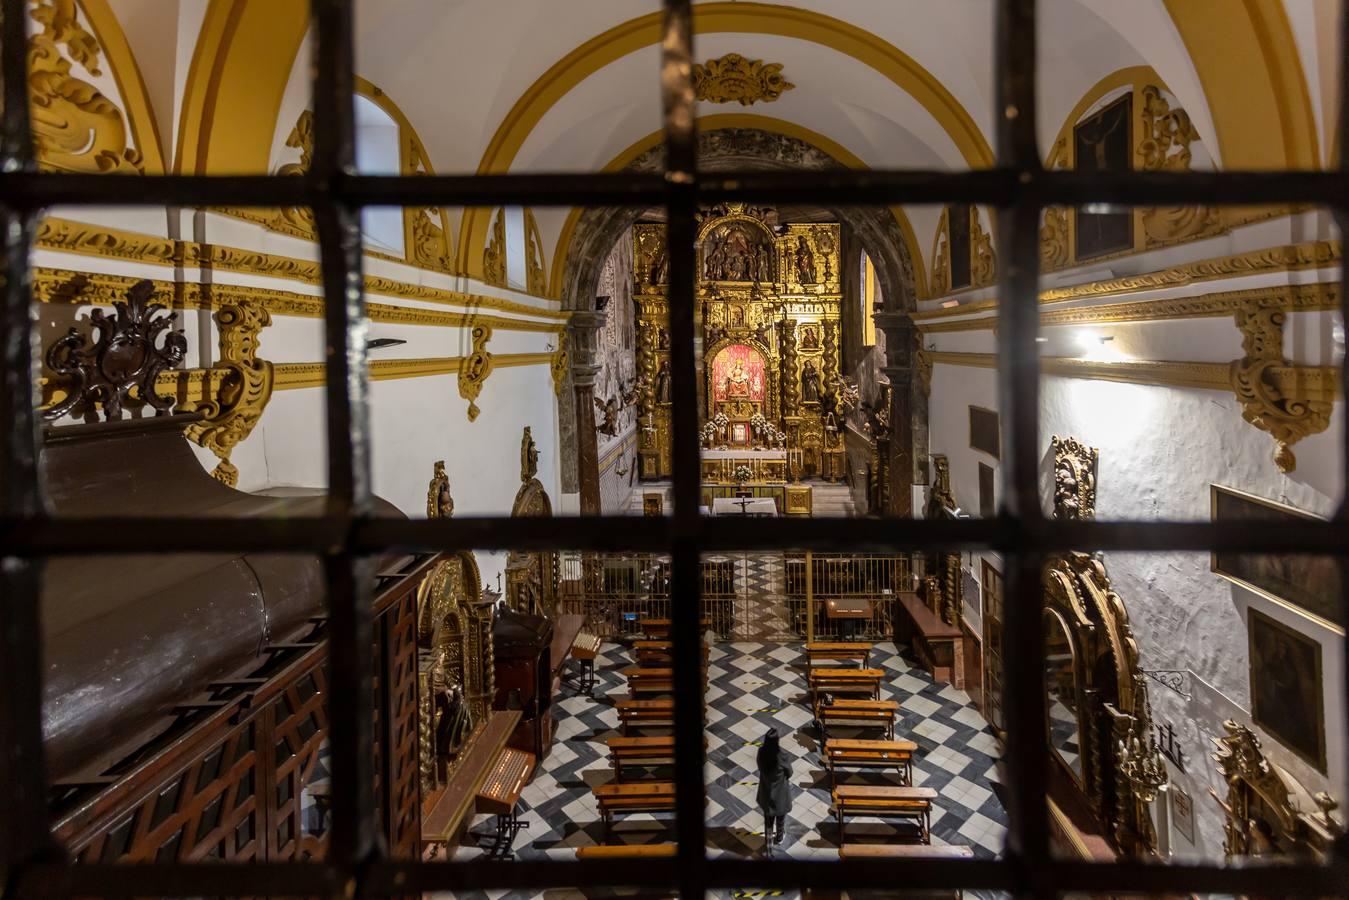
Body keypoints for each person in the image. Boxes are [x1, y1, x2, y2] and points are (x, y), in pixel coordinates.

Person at [756, 727, 792, 847]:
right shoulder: (783, 756)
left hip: (766, 791)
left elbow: (760, 767)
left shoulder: (761, 752)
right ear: (777, 741)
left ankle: (768, 839)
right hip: (780, 794)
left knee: (768, 820)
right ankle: (779, 837)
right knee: (780, 819)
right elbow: (790, 773)